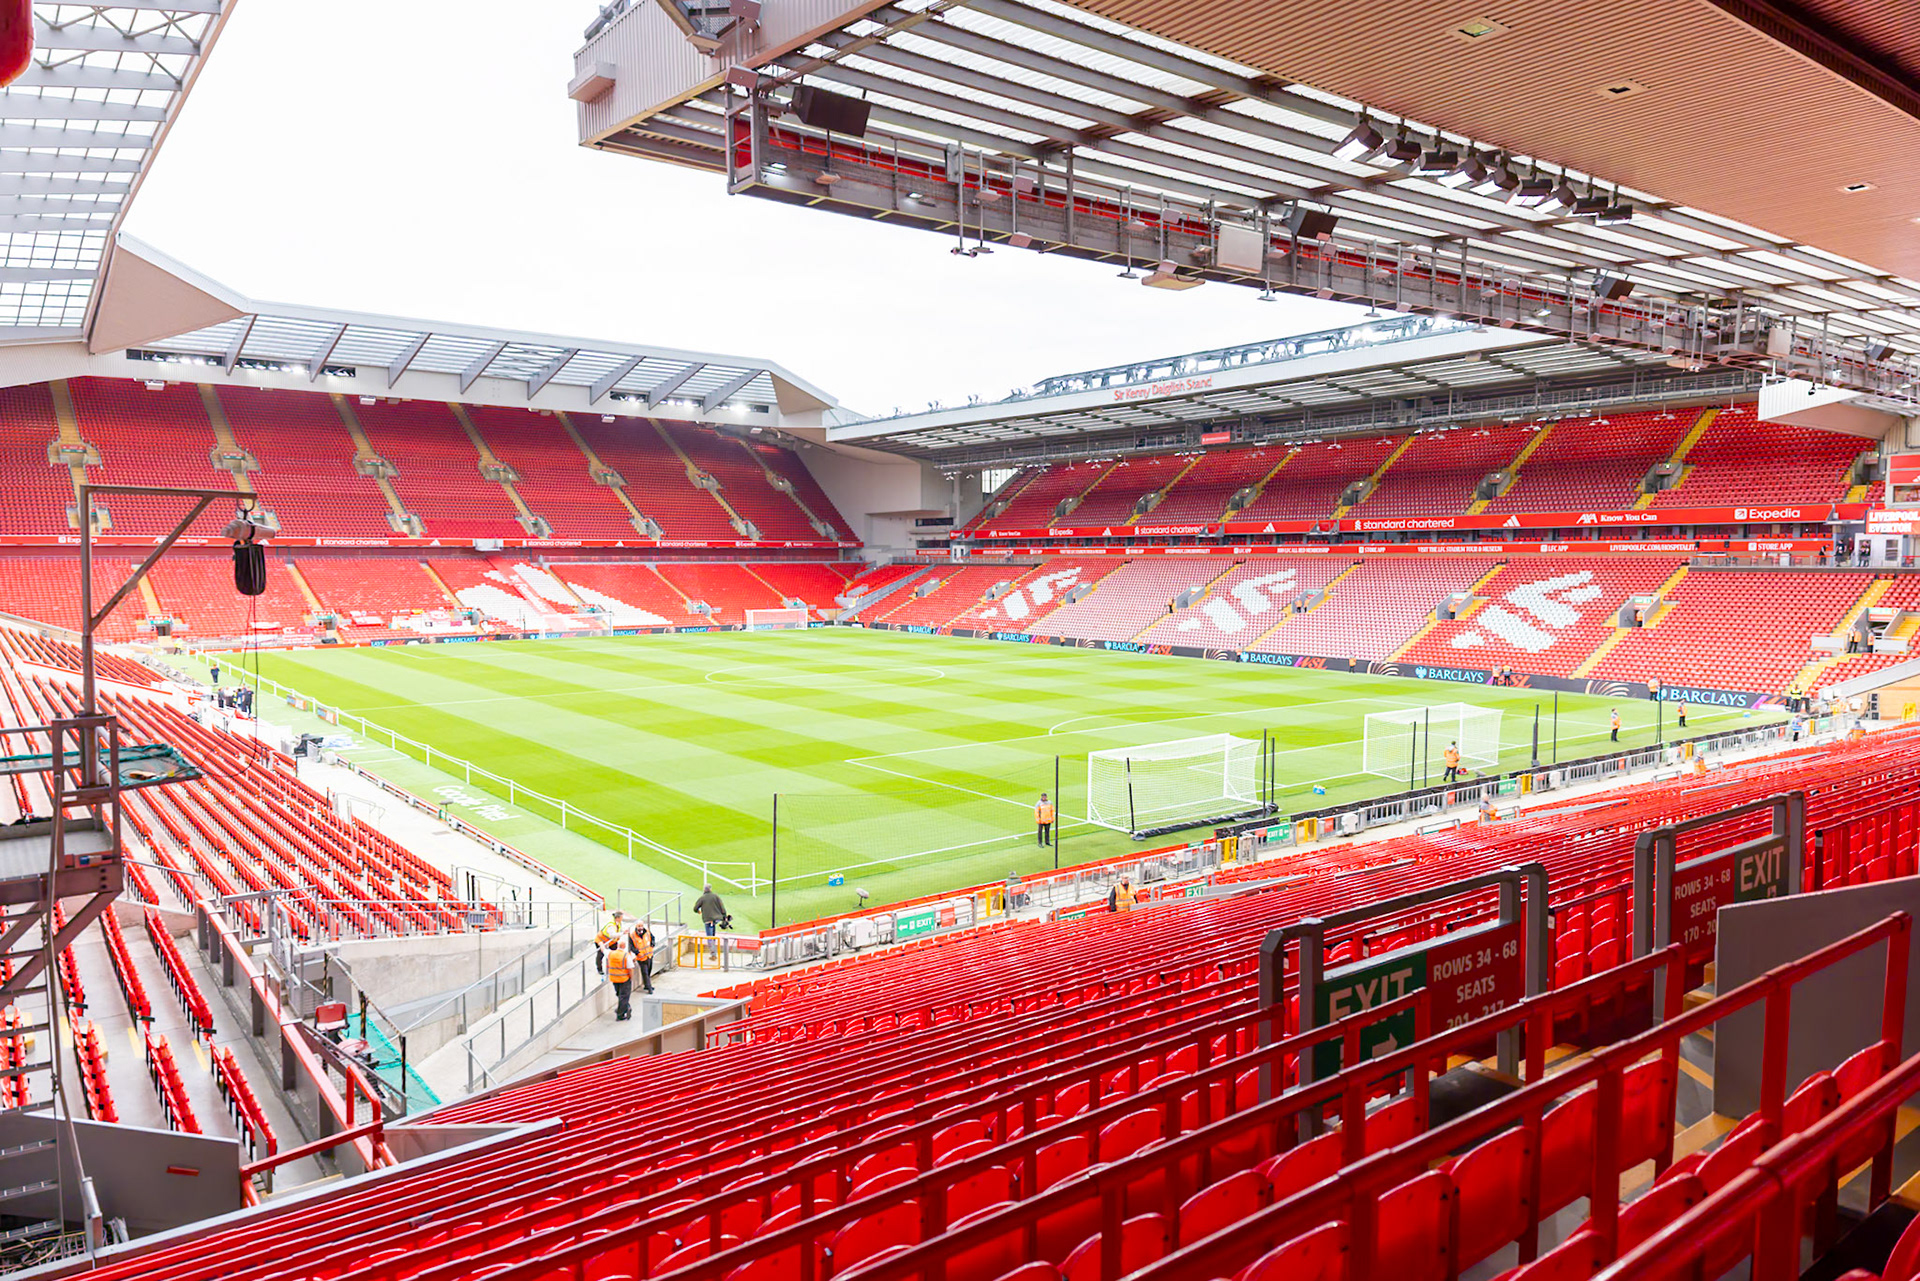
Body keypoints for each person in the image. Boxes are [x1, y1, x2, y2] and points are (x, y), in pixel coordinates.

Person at [605, 937, 634, 1022]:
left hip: (614, 979)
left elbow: (603, 950)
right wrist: (631, 977)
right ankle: (620, 1014)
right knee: (624, 996)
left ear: (617, 945)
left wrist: (600, 944)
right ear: (624, 946)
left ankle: (623, 1008)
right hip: (624, 979)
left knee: (619, 995)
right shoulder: (626, 955)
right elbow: (630, 968)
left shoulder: (610, 953)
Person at [593, 909, 628, 975]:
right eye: (621, 918)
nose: (622, 919)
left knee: (615, 953)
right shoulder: (611, 925)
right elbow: (612, 935)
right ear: (617, 918)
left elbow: (619, 929)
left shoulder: (617, 923)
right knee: (600, 955)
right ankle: (599, 969)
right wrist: (622, 933)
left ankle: (614, 966)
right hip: (601, 941)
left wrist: (623, 931)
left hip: (611, 942)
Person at [627, 922, 655, 995]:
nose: (640, 927)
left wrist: (653, 943)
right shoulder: (632, 935)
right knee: (645, 973)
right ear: (636, 927)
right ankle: (649, 987)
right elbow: (631, 946)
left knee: (649, 971)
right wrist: (637, 952)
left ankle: (646, 985)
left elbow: (653, 938)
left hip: (649, 955)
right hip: (641, 958)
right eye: (639, 926)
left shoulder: (647, 931)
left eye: (641, 926)